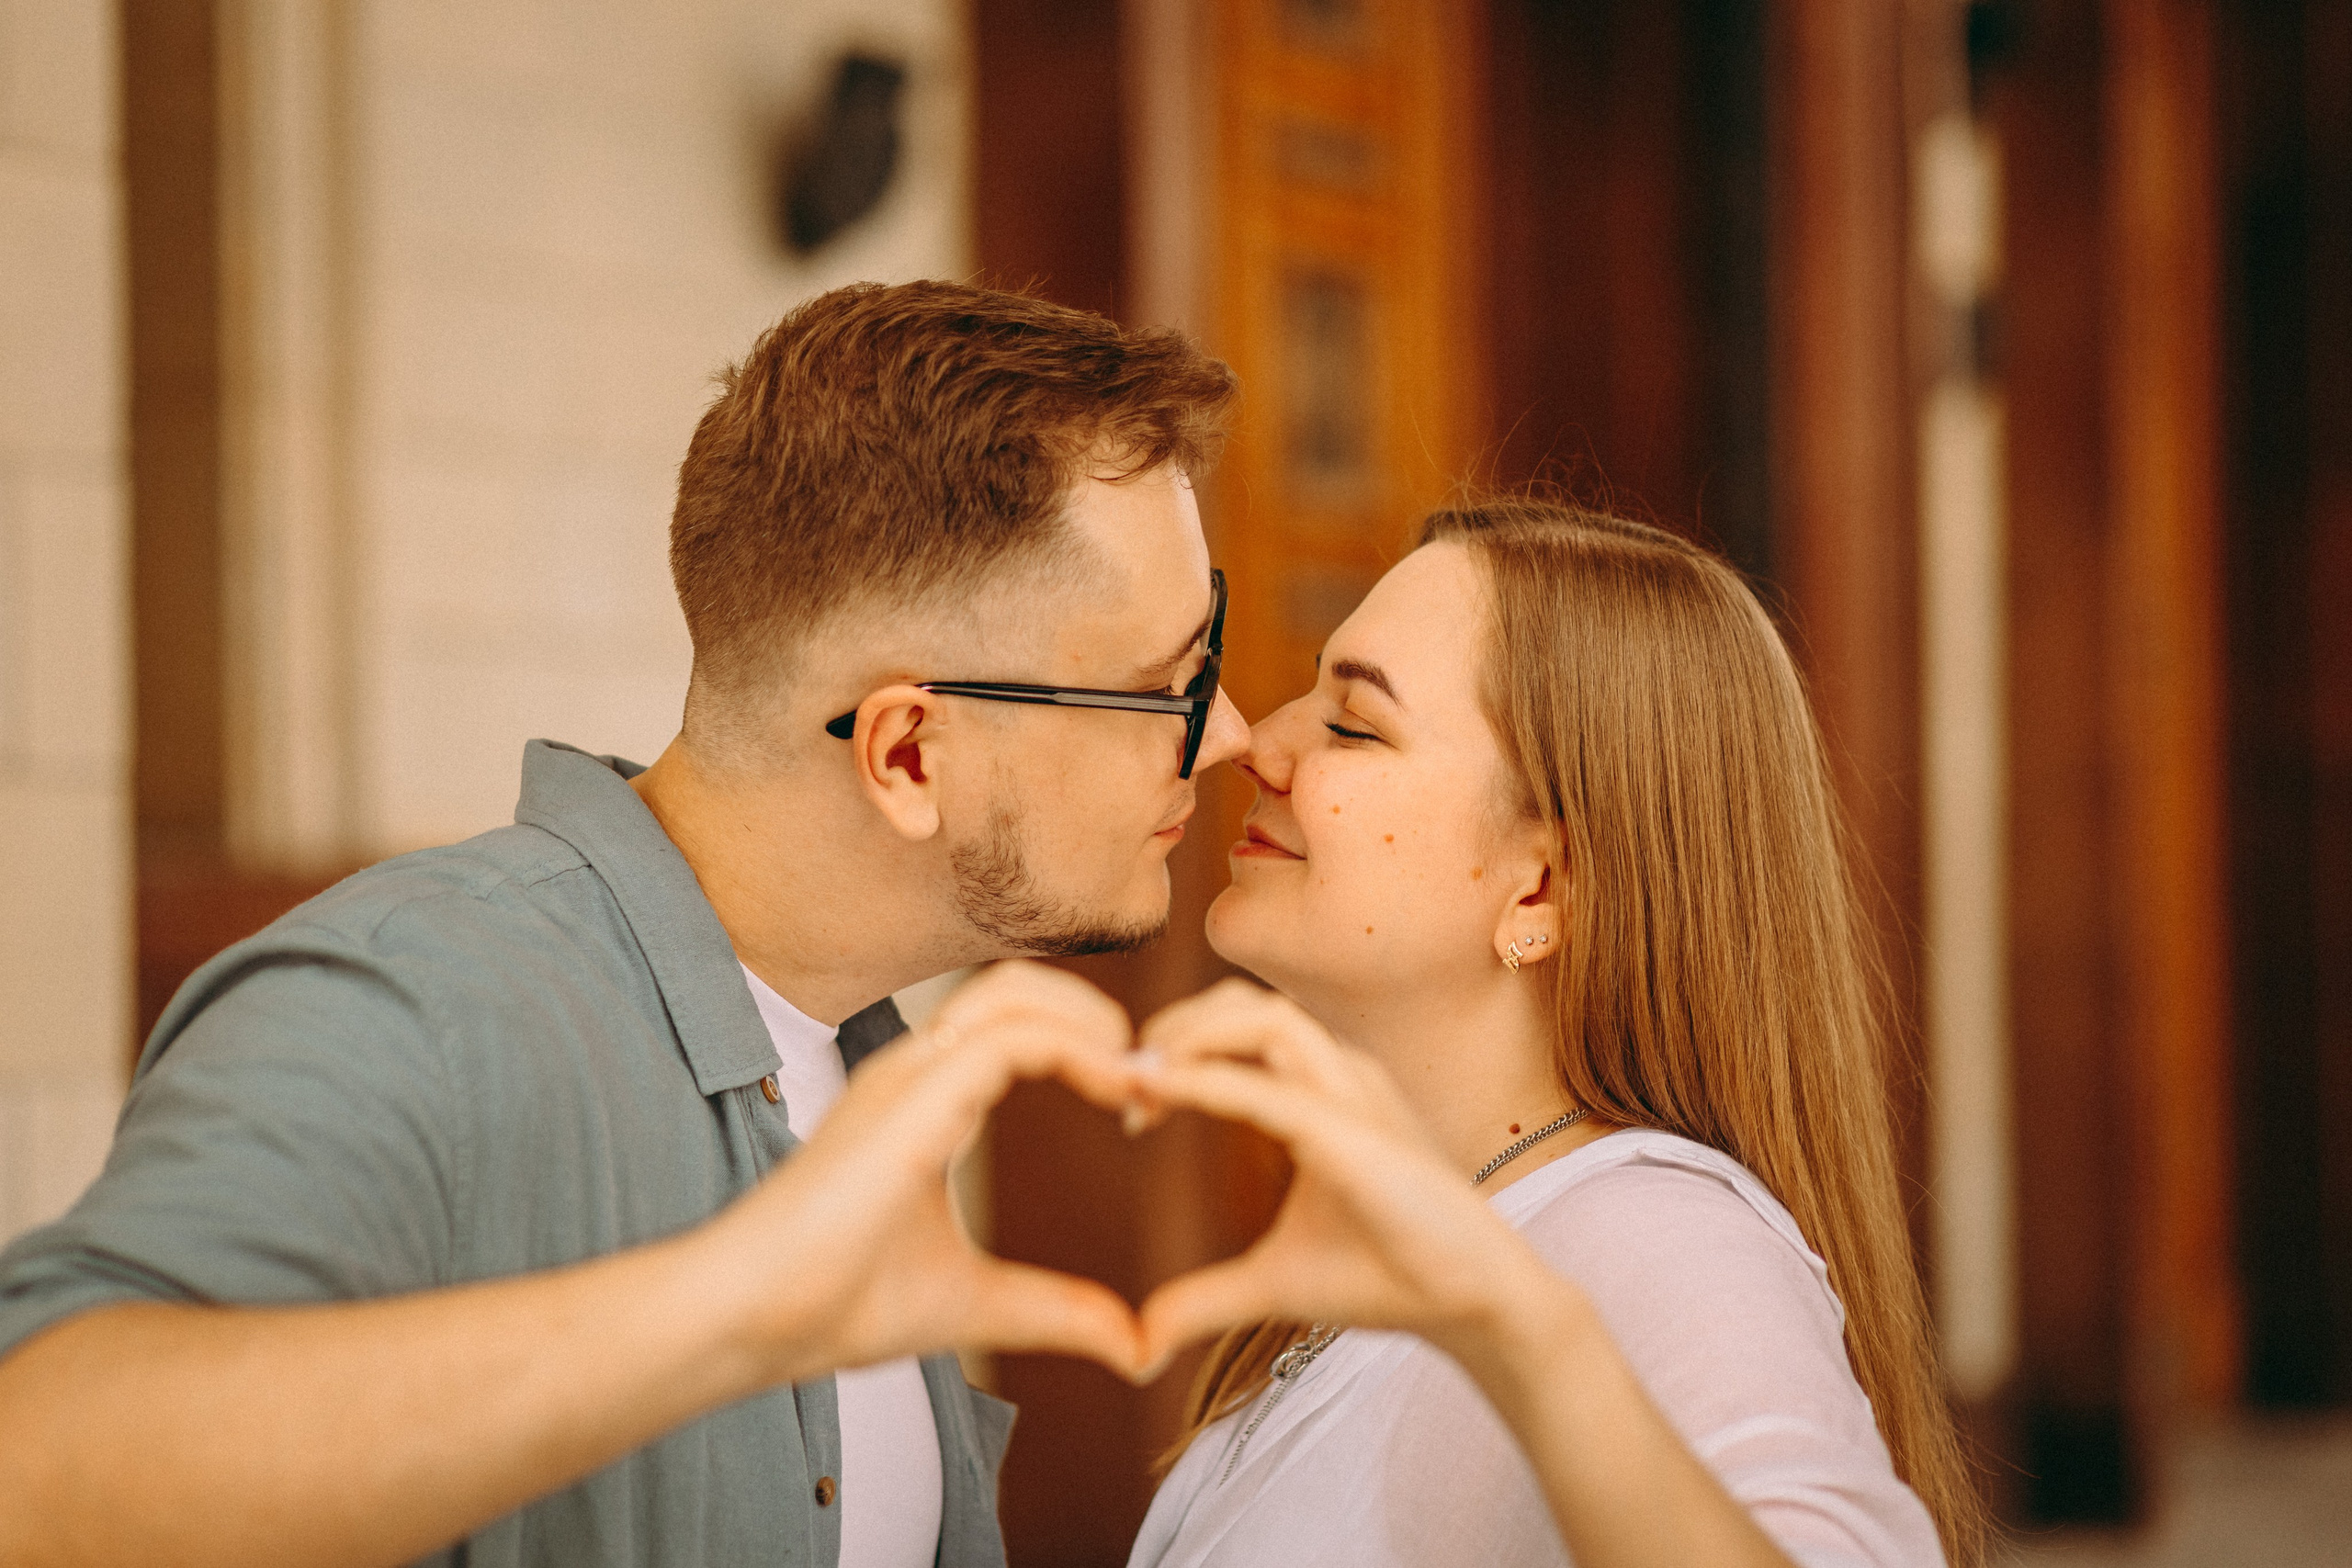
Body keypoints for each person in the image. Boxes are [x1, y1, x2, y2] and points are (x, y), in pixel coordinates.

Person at [0, 280, 1248, 1568]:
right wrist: (730, 1308)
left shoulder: (860, 1061)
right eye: (1171, 686)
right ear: (911, 752)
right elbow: (37, 1459)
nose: (1236, 735)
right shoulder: (412, 1006)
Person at [1117, 501, 1987, 1567]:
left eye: (1354, 724)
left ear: (1539, 888)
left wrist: (1533, 1340)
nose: (1257, 740)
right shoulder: (1437, 1223)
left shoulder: (1665, 1243)